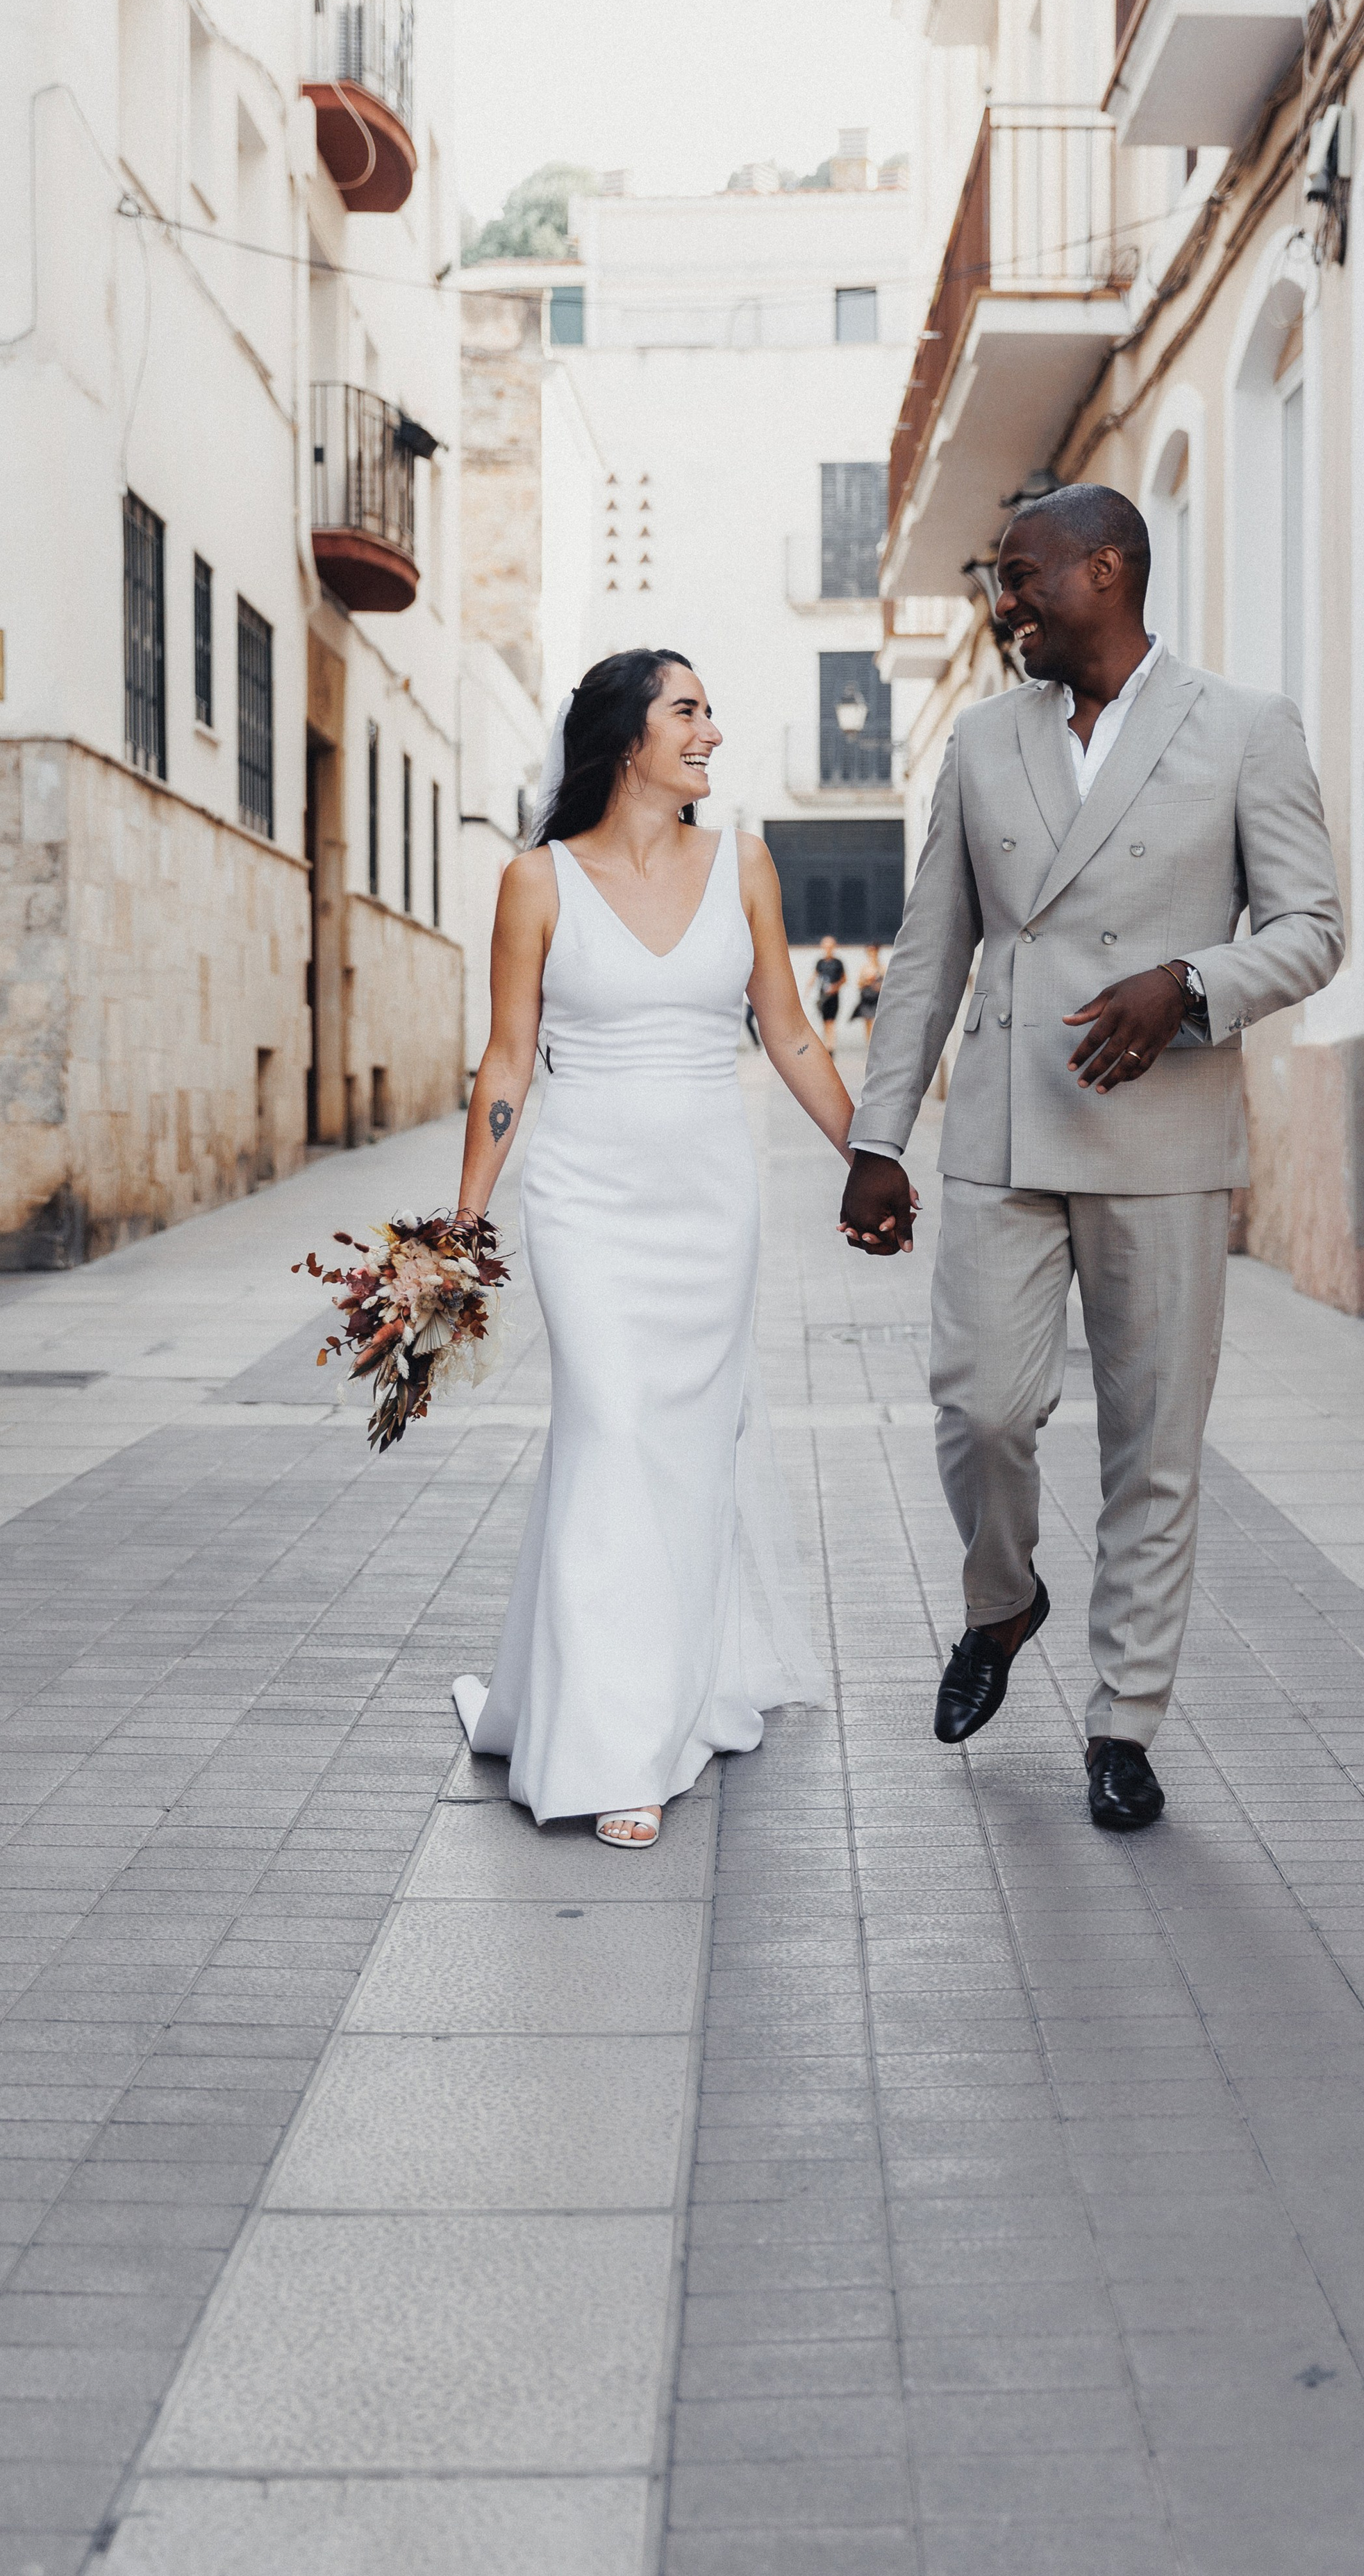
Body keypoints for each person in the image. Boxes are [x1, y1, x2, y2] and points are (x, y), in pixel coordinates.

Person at [839, 485, 1342, 1832]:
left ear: (1106, 571)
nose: (1005, 604)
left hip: (1161, 1134)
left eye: (1023, 577)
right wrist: (879, 1137)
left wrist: (1189, 983)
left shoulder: (1243, 727)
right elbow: (929, 953)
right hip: (1005, 1135)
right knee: (978, 1409)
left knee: (1151, 1450)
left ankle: (1124, 1723)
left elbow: (1311, 928)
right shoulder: (981, 741)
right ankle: (1003, 1599)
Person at [450, 649, 859, 1848]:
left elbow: (790, 1035)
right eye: (689, 711)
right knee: (613, 1428)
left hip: (708, 1203)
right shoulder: (535, 882)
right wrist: (462, 1225)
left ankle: (653, 1689)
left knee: (679, 1453)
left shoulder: (745, 865)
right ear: (628, 739)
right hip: (585, 1200)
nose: (712, 732)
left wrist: (870, 1156)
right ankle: (615, 1747)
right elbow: (508, 1061)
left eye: (709, 712)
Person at [811, 936, 845, 1051]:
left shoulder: (838, 963)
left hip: (833, 996)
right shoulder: (820, 963)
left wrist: (835, 987)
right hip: (823, 996)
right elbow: (815, 976)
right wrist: (808, 991)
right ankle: (826, 1044)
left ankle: (831, 1045)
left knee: (831, 1021)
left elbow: (844, 979)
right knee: (824, 1021)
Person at [851, 943, 884, 1047]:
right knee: (868, 1023)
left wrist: (878, 984)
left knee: (875, 1022)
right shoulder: (864, 968)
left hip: (877, 999)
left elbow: (886, 984)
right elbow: (859, 983)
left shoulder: (882, 968)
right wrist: (868, 981)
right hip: (867, 998)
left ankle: (875, 1044)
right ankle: (869, 1045)